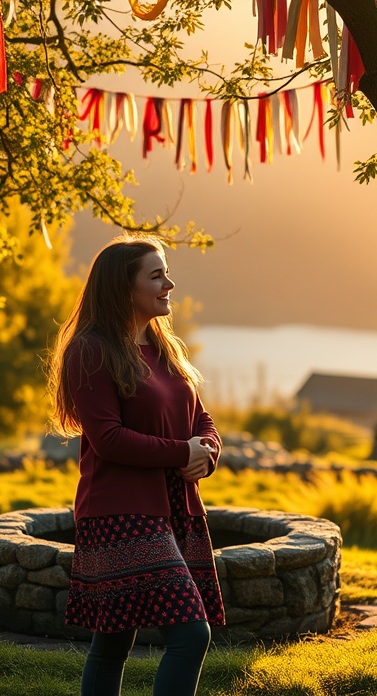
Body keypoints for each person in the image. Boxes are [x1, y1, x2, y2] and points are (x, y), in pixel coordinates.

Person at [48, 236, 224, 696]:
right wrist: (181, 452)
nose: (169, 283)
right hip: (119, 512)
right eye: (156, 275)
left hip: (174, 507)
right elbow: (106, 440)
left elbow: (200, 417)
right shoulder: (91, 350)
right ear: (124, 289)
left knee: (112, 642)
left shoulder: (163, 345)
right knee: (190, 635)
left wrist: (206, 451)